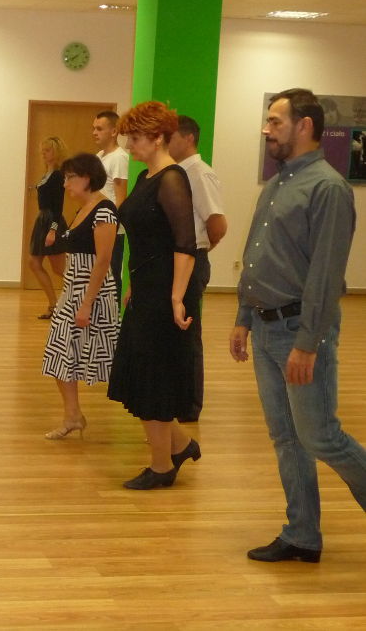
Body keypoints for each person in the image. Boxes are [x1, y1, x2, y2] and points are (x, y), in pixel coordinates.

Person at [230, 88, 366, 563]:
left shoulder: (328, 188)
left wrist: (307, 343)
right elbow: (256, 256)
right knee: (286, 437)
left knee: (320, 436)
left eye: (275, 121)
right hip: (265, 326)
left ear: (305, 126)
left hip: (301, 332)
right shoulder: (277, 184)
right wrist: (243, 317)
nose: (266, 129)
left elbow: (326, 276)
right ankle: (302, 533)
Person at [106, 101, 201, 490]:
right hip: (145, 288)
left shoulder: (173, 179)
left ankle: (162, 467)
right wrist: (133, 283)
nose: (129, 146)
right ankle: (181, 445)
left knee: (154, 379)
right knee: (142, 375)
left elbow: (185, 245)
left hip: (164, 292)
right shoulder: (147, 177)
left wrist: (176, 297)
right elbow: (147, 240)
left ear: (158, 137)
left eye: (135, 138)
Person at [42, 153, 119, 439]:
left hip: (93, 296)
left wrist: (86, 303)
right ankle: (73, 415)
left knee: (114, 362)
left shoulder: (104, 210)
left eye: (70, 178)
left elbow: (103, 260)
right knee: (58, 354)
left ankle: (158, 421)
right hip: (72, 292)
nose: (65, 184)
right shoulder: (83, 209)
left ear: (87, 178)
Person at [168, 115, 227, 422]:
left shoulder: (199, 174)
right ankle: (174, 398)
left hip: (191, 261)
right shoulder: (178, 172)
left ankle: (190, 406)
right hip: (177, 260)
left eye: (171, 136)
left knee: (188, 332)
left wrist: (198, 250)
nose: (166, 142)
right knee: (175, 333)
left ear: (188, 138)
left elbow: (217, 224)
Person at [28, 136, 68, 319]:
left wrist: (53, 230)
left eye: (48, 150)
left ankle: (84, 297)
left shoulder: (58, 175)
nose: (43, 154)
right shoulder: (47, 173)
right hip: (42, 220)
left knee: (59, 269)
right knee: (34, 263)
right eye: (42, 151)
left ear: (56, 152)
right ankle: (53, 305)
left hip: (52, 222)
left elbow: (58, 207)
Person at [92, 111, 129, 301]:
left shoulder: (119, 158)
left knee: (111, 277)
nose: (94, 133)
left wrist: (111, 227)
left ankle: (113, 316)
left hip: (112, 229)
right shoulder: (99, 156)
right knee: (97, 275)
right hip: (98, 225)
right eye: (94, 128)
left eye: (99, 129)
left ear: (114, 131)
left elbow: (120, 198)